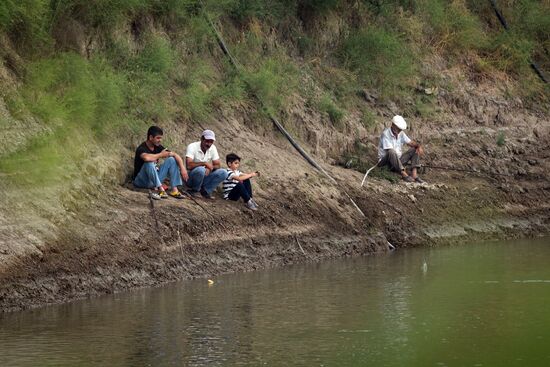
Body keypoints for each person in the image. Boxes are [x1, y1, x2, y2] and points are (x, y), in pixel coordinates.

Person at [133, 125, 188, 200]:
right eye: (158, 138)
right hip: (141, 181)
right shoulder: (142, 148)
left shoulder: (158, 146)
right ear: (151, 137)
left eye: (161, 138)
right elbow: (146, 158)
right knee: (149, 163)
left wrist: (182, 168)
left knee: (171, 159)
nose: (160, 140)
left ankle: (174, 190)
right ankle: (160, 189)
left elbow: (175, 154)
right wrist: (161, 154)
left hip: (154, 180)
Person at [378, 115, 425, 183]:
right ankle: (403, 173)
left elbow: (411, 143)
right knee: (391, 151)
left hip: (398, 161)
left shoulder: (401, 133)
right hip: (385, 163)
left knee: (415, 149)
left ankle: (414, 174)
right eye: (398, 128)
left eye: (400, 129)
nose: (400, 130)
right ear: (393, 125)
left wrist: (418, 146)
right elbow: (390, 152)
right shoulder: (386, 134)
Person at [185, 129, 227, 199]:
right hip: (191, 178)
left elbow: (218, 165)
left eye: (211, 142)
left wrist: (209, 168)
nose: (209, 144)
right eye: (207, 141)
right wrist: (204, 164)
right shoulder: (192, 146)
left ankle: (205, 191)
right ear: (202, 139)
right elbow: (188, 166)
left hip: (204, 176)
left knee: (224, 172)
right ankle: (195, 190)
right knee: (200, 170)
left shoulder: (213, 148)